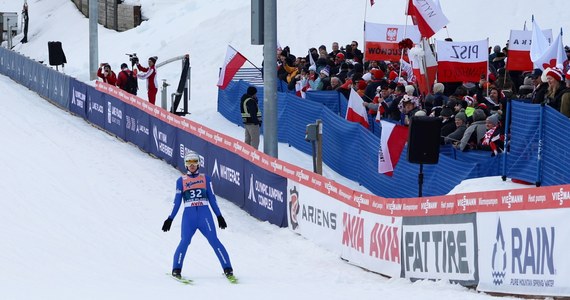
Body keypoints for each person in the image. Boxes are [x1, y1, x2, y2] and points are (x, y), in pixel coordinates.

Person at [161, 151, 234, 281]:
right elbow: (177, 201)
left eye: (194, 162)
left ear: (199, 164)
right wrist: (170, 218)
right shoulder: (181, 181)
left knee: (214, 240)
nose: (192, 165)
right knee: (184, 241)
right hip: (189, 216)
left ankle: (228, 269)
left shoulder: (205, 179)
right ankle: (176, 269)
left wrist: (219, 216)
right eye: (189, 162)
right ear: (186, 165)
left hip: (204, 215)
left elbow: (212, 198)